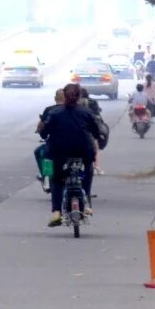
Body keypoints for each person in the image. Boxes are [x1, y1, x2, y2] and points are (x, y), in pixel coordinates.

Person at [38, 83, 103, 226]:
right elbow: (96, 131)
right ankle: (86, 204)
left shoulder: (54, 113)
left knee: (56, 179)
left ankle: (56, 212)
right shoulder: (86, 112)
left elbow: (44, 132)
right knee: (88, 171)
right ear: (79, 96)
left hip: (59, 152)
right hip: (84, 151)